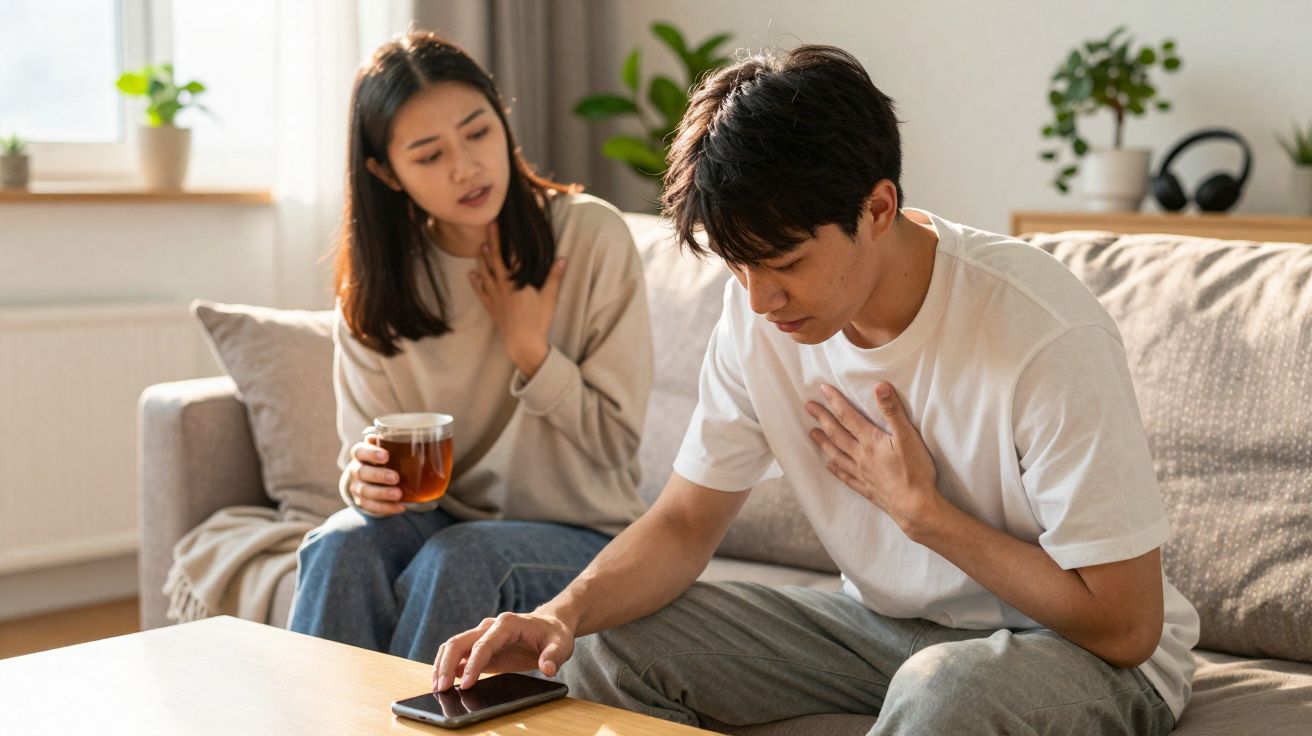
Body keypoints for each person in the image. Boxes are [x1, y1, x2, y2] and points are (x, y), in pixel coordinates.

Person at [431, 45, 1200, 735]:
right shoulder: (758, 314)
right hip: (883, 631)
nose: (761, 300)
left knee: (947, 689)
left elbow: (1127, 625)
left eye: (786, 262)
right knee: (605, 646)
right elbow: (685, 524)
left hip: (1085, 657)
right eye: (739, 268)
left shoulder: (1040, 333)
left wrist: (926, 516)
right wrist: (558, 614)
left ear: (877, 208)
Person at [286, 31, 653, 665]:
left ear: (501, 119)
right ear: (384, 172)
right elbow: (369, 464)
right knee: (340, 544)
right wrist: (363, 483)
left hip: (583, 533)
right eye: (429, 155)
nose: (466, 167)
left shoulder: (590, 238)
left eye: (478, 132)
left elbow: (616, 443)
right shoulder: (381, 286)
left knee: (459, 558)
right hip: (441, 521)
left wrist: (531, 350)